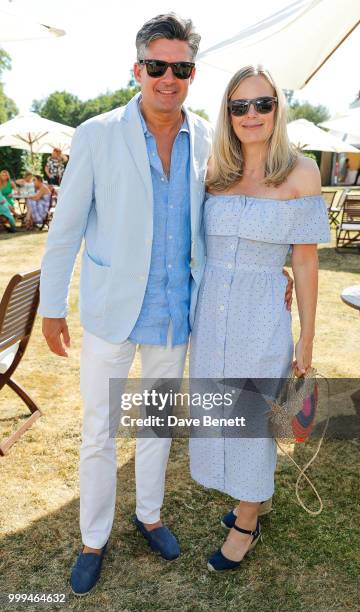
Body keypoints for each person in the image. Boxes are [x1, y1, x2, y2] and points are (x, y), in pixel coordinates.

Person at [38, 14, 293, 596]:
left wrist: (268, 262)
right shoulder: (97, 134)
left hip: (178, 312)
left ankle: (148, 515)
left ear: (192, 73)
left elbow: (226, 214)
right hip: (111, 311)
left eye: (180, 67)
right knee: (100, 430)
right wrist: (52, 307)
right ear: (138, 69)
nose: (167, 77)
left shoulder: (209, 135)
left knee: (154, 424)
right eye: (157, 66)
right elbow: (66, 228)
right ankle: (92, 538)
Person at [189, 65, 330, 573]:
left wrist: (307, 338)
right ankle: (253, 493)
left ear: (278, 107)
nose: (252, 115)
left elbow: (306, 260)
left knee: (252, 416)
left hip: (262, 310)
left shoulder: (302, 171)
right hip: (211, 313)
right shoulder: (212, 171)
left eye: (262, 103)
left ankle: (247, 518)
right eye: (239, 106)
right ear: (227, 114)